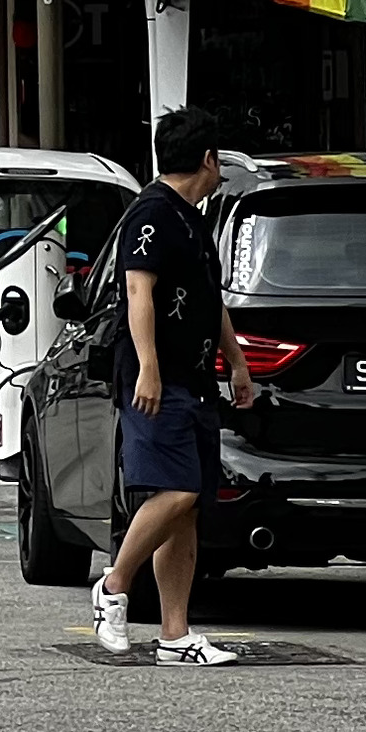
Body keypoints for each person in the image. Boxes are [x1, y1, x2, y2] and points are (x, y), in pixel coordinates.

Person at [92, 107, 264, 666]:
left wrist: (236, 362)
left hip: (194, 377)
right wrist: (148, 368)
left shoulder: (196, 219)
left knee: (188, 507)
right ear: (208, 159)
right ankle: (114, 586)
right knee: (176, 492)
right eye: (220, 160)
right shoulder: (151, 215)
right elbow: (138, 295)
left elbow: (210, 302)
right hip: (157, 380)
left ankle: (175, 634)